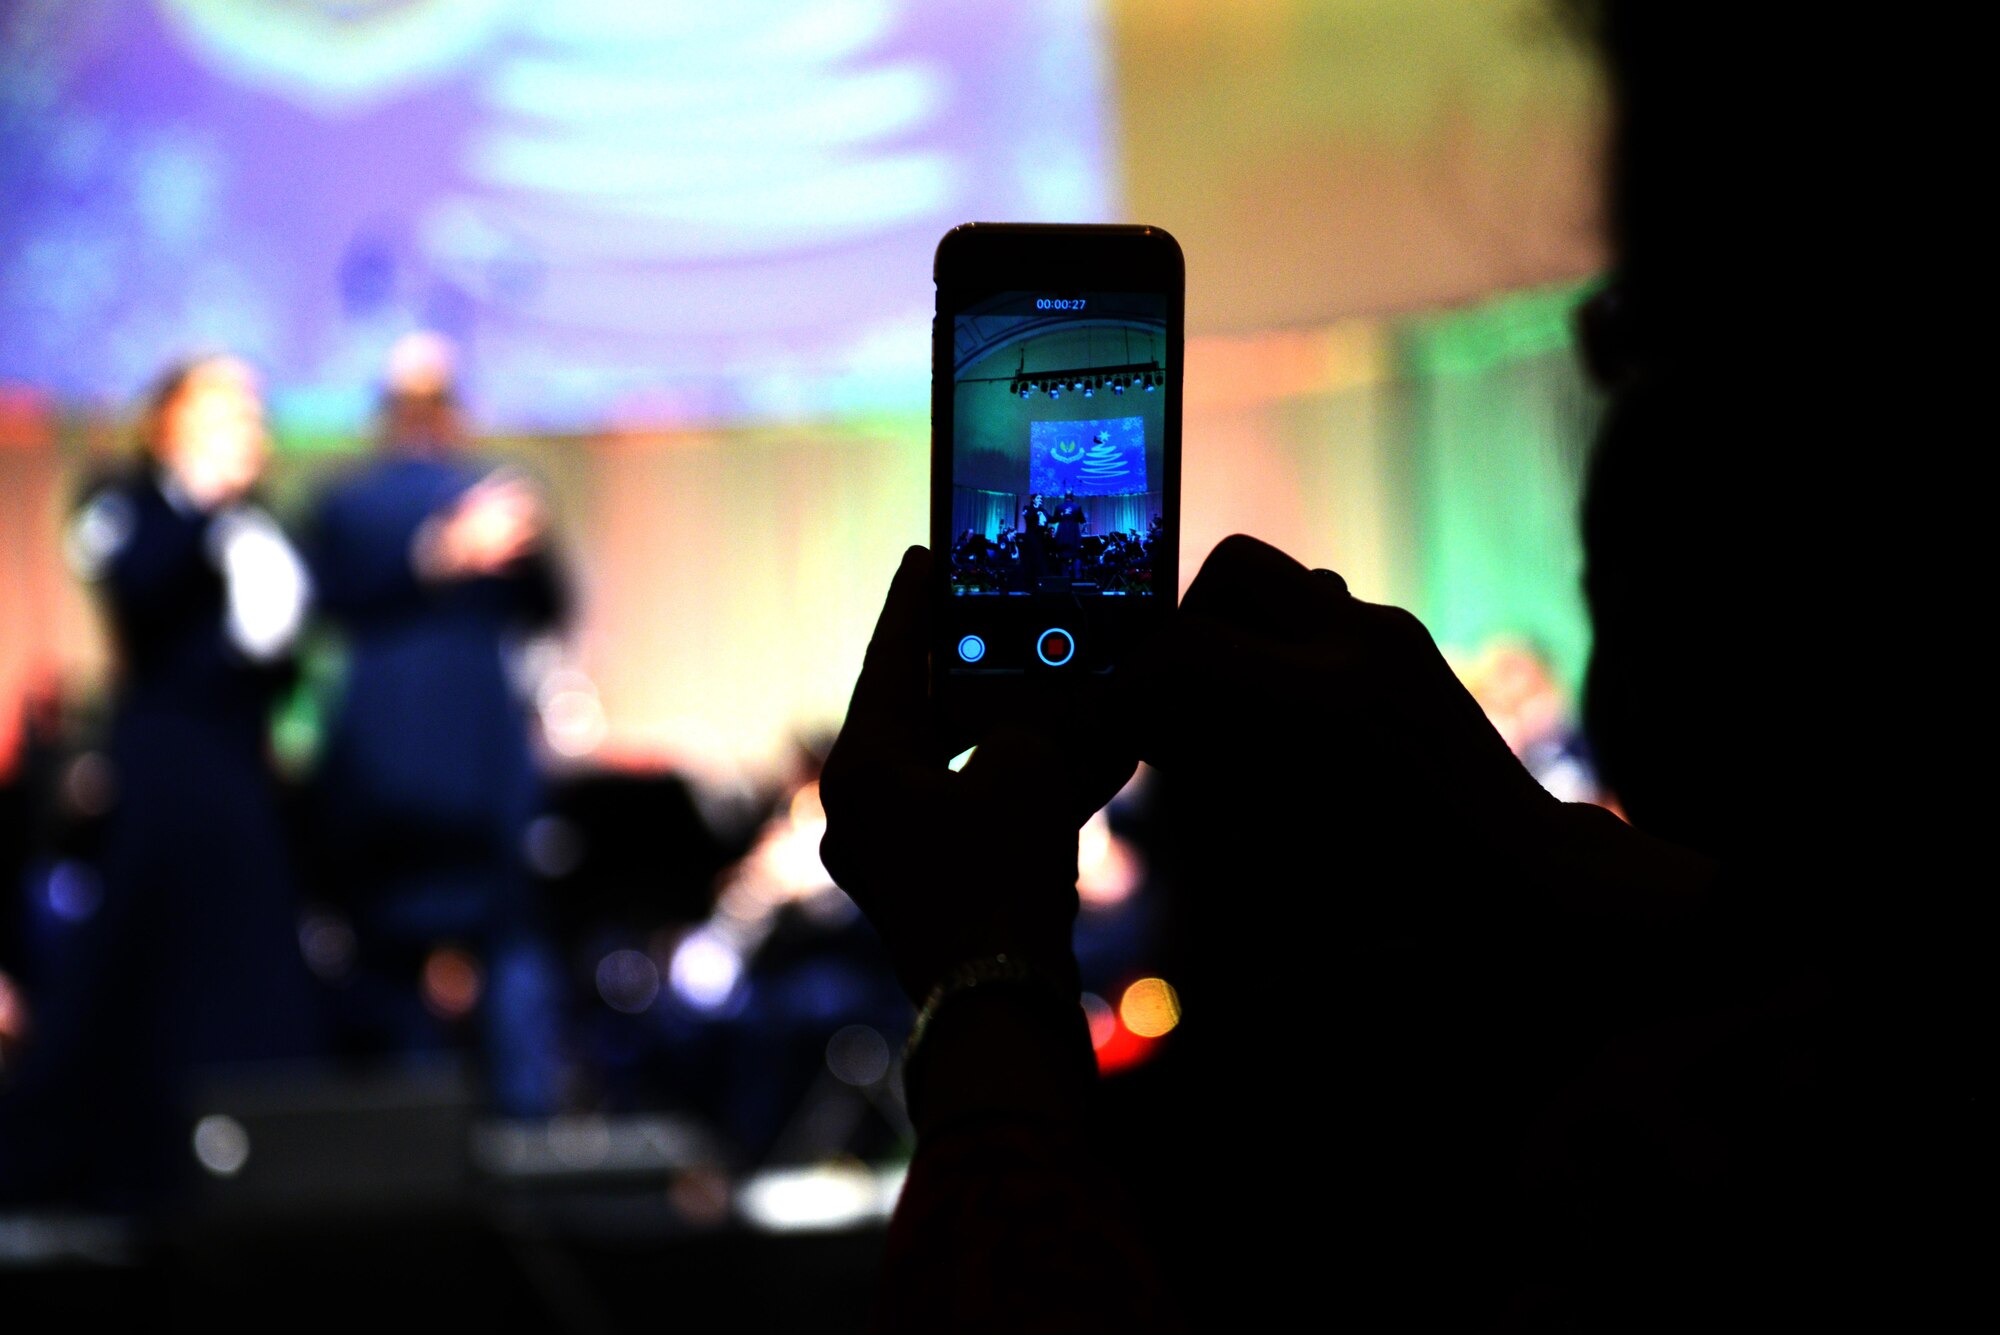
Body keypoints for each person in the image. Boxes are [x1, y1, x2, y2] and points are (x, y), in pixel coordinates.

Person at [819, 5, 1958, 1327]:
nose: (1598, 362)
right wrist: (1560, 861)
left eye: (1641, 314)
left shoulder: (1672, 1160)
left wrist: (982, 973)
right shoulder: (1761, 1072)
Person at [0, 354, 320, 1206]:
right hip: (164, 770)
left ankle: (259, 1156)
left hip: (237, 771)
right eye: (222, 410)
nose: (245, 428)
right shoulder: (130, 501)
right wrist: (201, 498)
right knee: (134, 970)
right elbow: (137, 584)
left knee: (246, 969)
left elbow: (276, 653)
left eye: (252, 412)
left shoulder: (264, 526)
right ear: (169, 421)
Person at [307, 331, 569, 1117]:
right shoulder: (368, 507)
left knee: (442, 1003)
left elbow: (547, 603)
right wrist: (451, 547)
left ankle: (427, 1167)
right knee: (478, 993)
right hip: (436, 795)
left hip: (409, 792)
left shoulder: (356, 505)